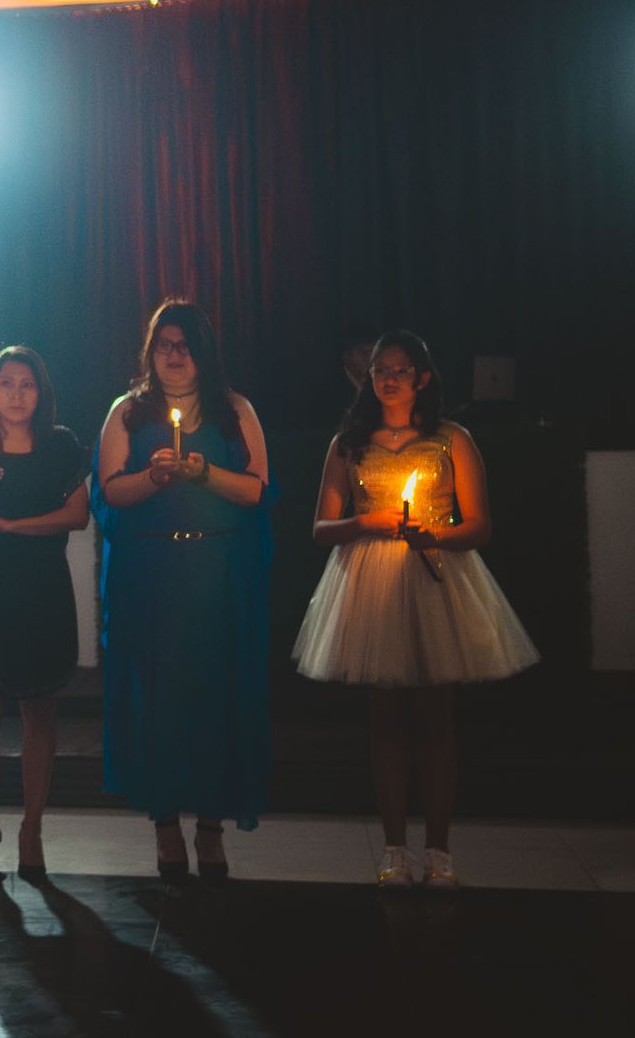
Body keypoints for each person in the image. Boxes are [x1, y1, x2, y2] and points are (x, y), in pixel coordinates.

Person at [295, 330, 538, 888]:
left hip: (436, 581)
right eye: (381, 369)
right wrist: (366, 523)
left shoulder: (451, 438)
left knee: (435, 722)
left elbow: (480, 525)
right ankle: (393, 851)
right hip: (370, 586)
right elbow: (320, 527)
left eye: (401, 370)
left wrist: (435, 535)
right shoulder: (348, 443)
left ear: (422, 379)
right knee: (385, 721)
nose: (389, 379)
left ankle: (441, 853)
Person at [93, 300, 272, 883]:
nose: (173, 355)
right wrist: (156, 476)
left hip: (218, 571)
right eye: (163, 345)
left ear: (202, 353)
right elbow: (111, 492)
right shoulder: (128, 412)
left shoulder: (233, 409)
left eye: (184, 345)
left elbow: (254, 491)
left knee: (217, 697)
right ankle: (166, 826)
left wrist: (202, 474)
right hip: (151, 574)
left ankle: (212, 828)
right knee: (159, 701)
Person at [0, 347, 89, 883]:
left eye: (27, 384)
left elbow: (77, 515)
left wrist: (12, 528)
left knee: (40, 712)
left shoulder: (61, 445)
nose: (17, 394)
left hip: (41, 589)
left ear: (41, 391)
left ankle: (32, 828)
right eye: (7, 383)